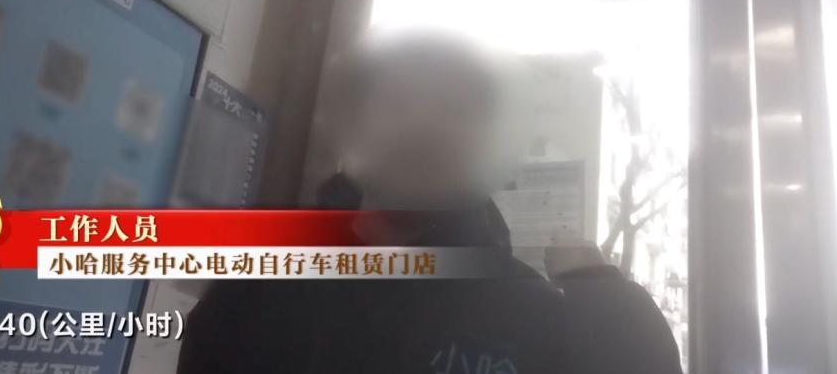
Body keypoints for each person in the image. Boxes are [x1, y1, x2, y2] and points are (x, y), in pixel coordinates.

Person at [177, 31, 682, 374]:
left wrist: (606, 298)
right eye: (398, 102)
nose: (423, 125)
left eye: (455, 109)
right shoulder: (265, 277)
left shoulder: (531, 312)